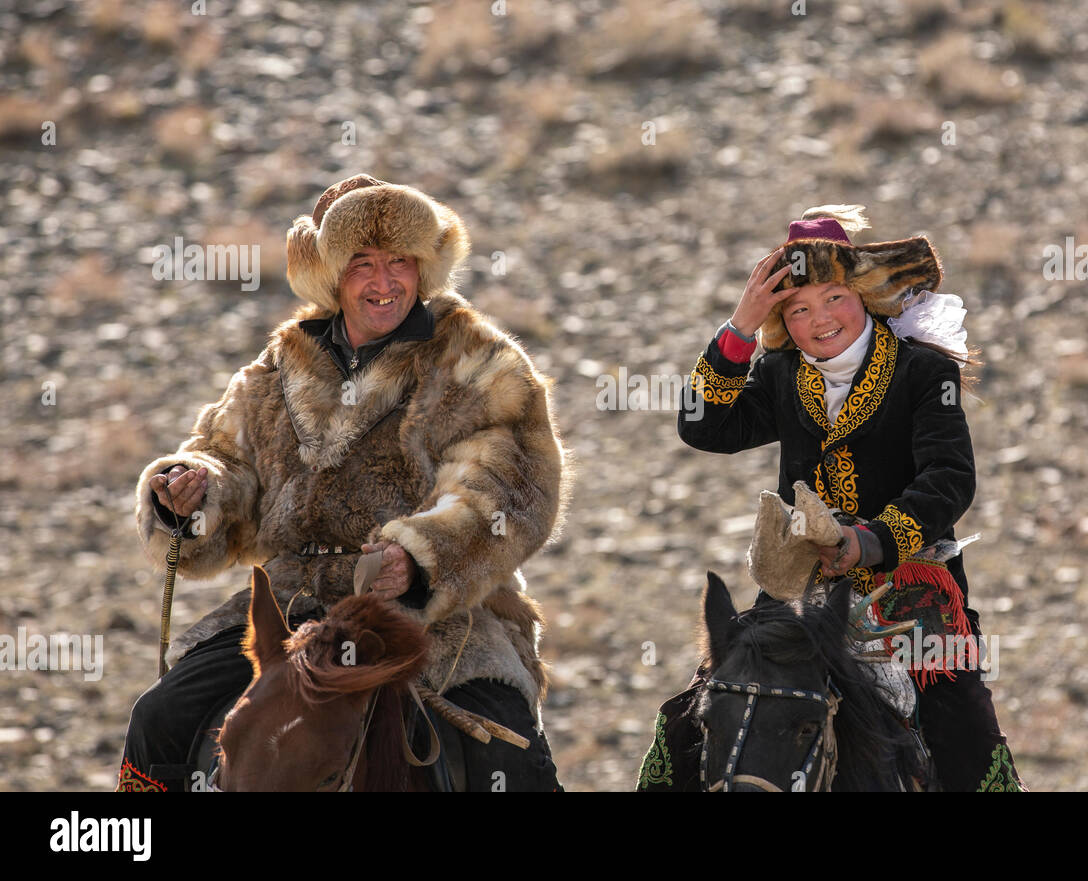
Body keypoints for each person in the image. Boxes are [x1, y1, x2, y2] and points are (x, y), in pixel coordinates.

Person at [116, 174, 567, 791]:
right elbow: (228, 461)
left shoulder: (478, 360)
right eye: (362, 264)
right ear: (332, 274)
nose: (384, 283)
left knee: (508, 755)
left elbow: (505, 491)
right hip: (291, 603)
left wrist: (416, 558)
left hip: (435, 616)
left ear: (424, 267)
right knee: (160, 716)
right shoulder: (282, 362)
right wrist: (191, 491)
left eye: (399, 262)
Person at [637, 205, 1025, 791]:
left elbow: (949, 477)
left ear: (862, 297)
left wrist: (868, 542)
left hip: (909, 593)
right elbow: (702, 427)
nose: (819, 319)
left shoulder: (923, 371)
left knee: (964, 733)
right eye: (796, 308)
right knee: (690, 726)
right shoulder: (780, 373)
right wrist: (739, 328)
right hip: (796, 593)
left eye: (833, 298)